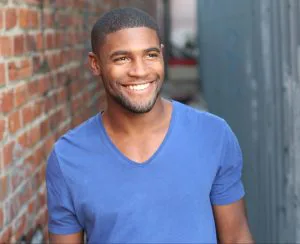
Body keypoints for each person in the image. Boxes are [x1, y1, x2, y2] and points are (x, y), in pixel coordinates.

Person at [46, 7, 254, 244]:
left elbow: (236, 238)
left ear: (162, 55)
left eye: (150, 55)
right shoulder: (67, 158)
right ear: (95, 64)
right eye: (122, 58)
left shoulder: (213, 135)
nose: (140, 71)